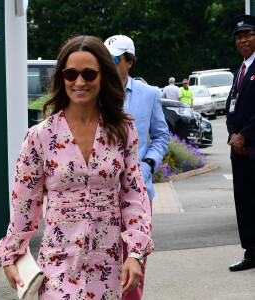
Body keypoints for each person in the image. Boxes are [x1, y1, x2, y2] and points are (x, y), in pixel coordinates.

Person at [0, 35, 154, 299]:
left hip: (108, 264)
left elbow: (134, 196)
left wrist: (135, 252)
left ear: (103, 76)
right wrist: (12, 254)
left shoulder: (123, 130)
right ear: (62, 77)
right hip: (57, 263)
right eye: (71, 73)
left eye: (89, 74)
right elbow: (25, 202)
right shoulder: (40, 136)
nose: (79, 82)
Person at [104, 35, 169, 299]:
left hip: (139, 193)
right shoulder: (95, 92)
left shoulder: (150, 94)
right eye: (105, 58)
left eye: (115, 58)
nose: (109, 63)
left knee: (134, 263)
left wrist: (148, 163)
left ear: (129, 62)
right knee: (104, 266)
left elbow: (161, 135)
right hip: (102, 195)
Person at [226, 14, 255, 272]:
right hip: (240, 149)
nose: (243, 40)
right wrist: (233, 135)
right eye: (239, 36)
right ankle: (251, 252)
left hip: (253, 144)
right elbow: (231, 107)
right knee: (244, 202)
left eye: (248, 35)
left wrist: (245, 134)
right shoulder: (241, 69)